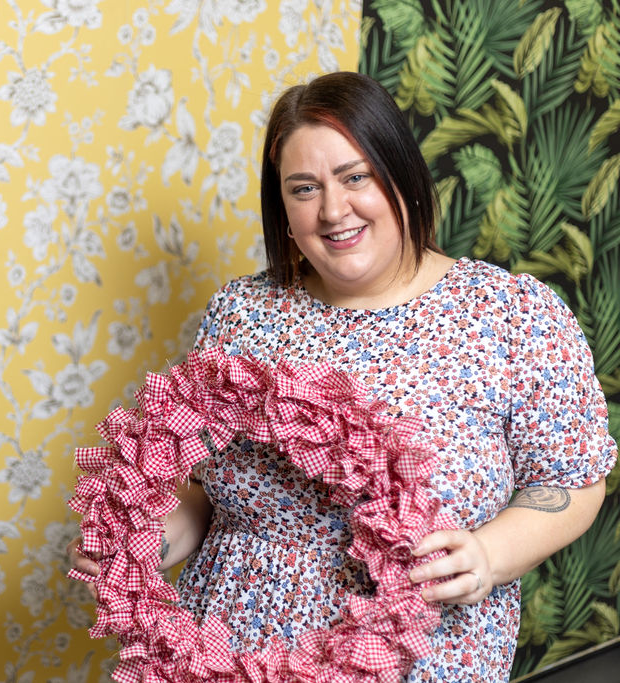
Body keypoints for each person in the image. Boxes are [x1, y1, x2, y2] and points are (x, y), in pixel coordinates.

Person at [68, 71, 617, 682]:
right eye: (304, 189)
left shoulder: (510, 314)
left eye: (356, 176)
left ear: (401, 175)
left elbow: (573, 483)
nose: (333, 210)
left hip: (415, 652)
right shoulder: (242, 313)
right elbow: (211, 497)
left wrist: (489, 555)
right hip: (228, 650)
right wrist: (143, 544)